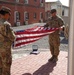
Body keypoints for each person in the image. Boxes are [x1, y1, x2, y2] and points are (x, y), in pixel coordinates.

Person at [0, 6, 15, 75]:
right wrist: (15, 35)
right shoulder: (6, 24)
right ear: (6, 14)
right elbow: (12, 37)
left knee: (0, 66)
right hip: (5, 50)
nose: (9, 16)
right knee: (6, 65)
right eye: (9, 14)